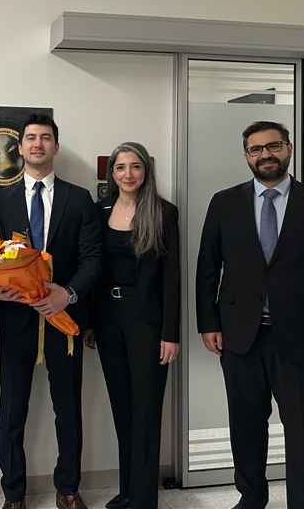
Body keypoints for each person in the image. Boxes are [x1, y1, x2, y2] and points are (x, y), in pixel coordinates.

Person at [196, 121, 304, 509]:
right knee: (245, 426)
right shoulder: (224, 202)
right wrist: (208, 324)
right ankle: (251, 499)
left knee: (301, 431)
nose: (265, 154)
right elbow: (207, 269)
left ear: (288, 149)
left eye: (273, 146)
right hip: (240, 337)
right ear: (246, 156)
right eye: (256, 149)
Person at [0, 113, 102, 509]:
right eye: (31, 138)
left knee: (67, 409)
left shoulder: (78, 198)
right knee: (11, 412)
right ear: (19, 147)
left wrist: (68, 294)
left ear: (56, 146)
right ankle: (13, 495)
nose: (38, 144)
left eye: (45, 138)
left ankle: (68, 489)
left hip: (63, 321)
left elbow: (93, 259)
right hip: (16, 320)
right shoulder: (0, 200)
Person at [85, 142, 180, 509]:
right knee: (122, 408)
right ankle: (127, 491)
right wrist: (89, 321)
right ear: (112, 173)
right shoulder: (99, 211)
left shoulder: (163, 212)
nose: (128, 174)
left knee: (146, 410)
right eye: (121, 167)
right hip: (107, 317)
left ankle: (142, 500)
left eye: (135, 166)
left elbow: (171, 277)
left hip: (146, 319)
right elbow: (91, 266)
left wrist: (170, 333)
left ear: (146, 171)